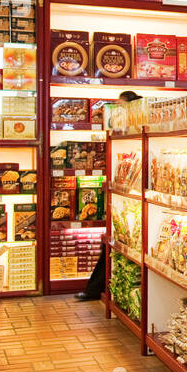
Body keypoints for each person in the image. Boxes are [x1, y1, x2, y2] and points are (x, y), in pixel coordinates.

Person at [76, 91, 141, 301]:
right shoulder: (122, 135)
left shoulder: (137, 132)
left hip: (133, 205)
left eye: (122, 106)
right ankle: (95, 289)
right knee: (108, 249)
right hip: (124, 206)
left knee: (108, 250)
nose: (117, 110)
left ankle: (94, 290)